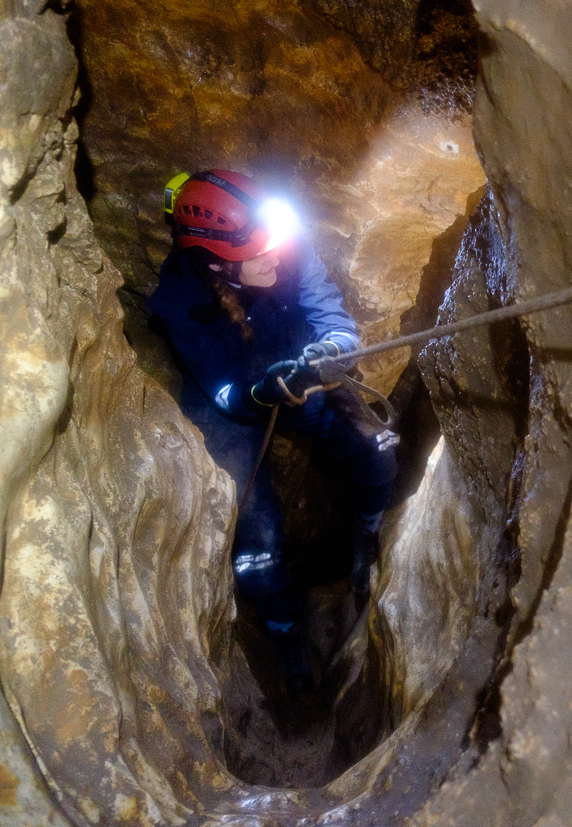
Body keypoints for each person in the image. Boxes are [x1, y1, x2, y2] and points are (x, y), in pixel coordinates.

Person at [147, 169, 398, 689]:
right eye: (260, 255)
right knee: (255, 552)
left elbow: (328, 311)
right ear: (219, 263)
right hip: (235, 405)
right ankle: (285, 635)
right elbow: (224, 391)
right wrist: (264, 393)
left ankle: (365, 539)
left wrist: (333, 348)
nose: (277, 257)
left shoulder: (283, 243)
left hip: (299, 370)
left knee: (379, 452)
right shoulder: (178, 300)